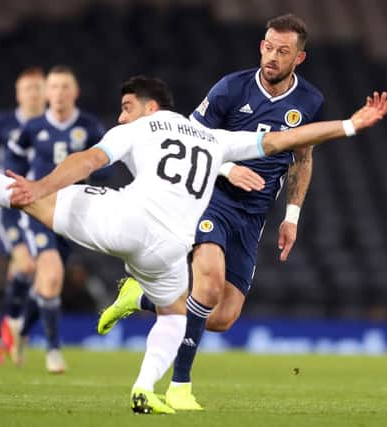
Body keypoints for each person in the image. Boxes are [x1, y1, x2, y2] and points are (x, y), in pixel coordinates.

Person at [0, 76, 387, 414]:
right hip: (165, 250)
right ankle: (143, 386)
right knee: (180, 314)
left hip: (121, 220)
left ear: (152, 108)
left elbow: (89, 160)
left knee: (18, 193)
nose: (122, 113)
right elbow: (287, 141)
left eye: (128, 105)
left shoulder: (142, 127)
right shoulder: (217, 140)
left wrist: (42, 189)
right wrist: (349, 125)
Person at [97, 13, 324, 409]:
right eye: (268, 47)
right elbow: (189, 139)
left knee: (222, 317)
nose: (272, 56)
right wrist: (229, 167)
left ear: (298, 59)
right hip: (212, 199)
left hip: (253, 217)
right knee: (208, 284)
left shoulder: (309, 101)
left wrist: (291, 217)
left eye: (282, 51)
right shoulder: (230, 89)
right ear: (261, 45)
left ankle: (141, 298)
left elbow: (302, 159)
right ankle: (180, 386)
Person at [3, 65, 107, 373]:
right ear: (47, 93)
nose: (59, 93)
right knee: (51, 273)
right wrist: (20, 187)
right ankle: (53, 352)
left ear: (75, 92)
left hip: (71, 211)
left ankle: (20, 329)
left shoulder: (89, 127)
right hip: (38, 208)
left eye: (65, 87)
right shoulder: (33, 127)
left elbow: (107, 165)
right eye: (55, 87)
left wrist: (90, 171)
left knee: (50, 283)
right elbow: (12, 158)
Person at [0, 67, 47, 366]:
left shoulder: (51, 125)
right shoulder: (2, 123)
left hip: (41, 204)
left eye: (38, 88)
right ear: (18, 94)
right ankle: (10, 330)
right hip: (9, 206)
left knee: (37, 278)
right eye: (27, 88)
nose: (33, 94)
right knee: (26, 265)